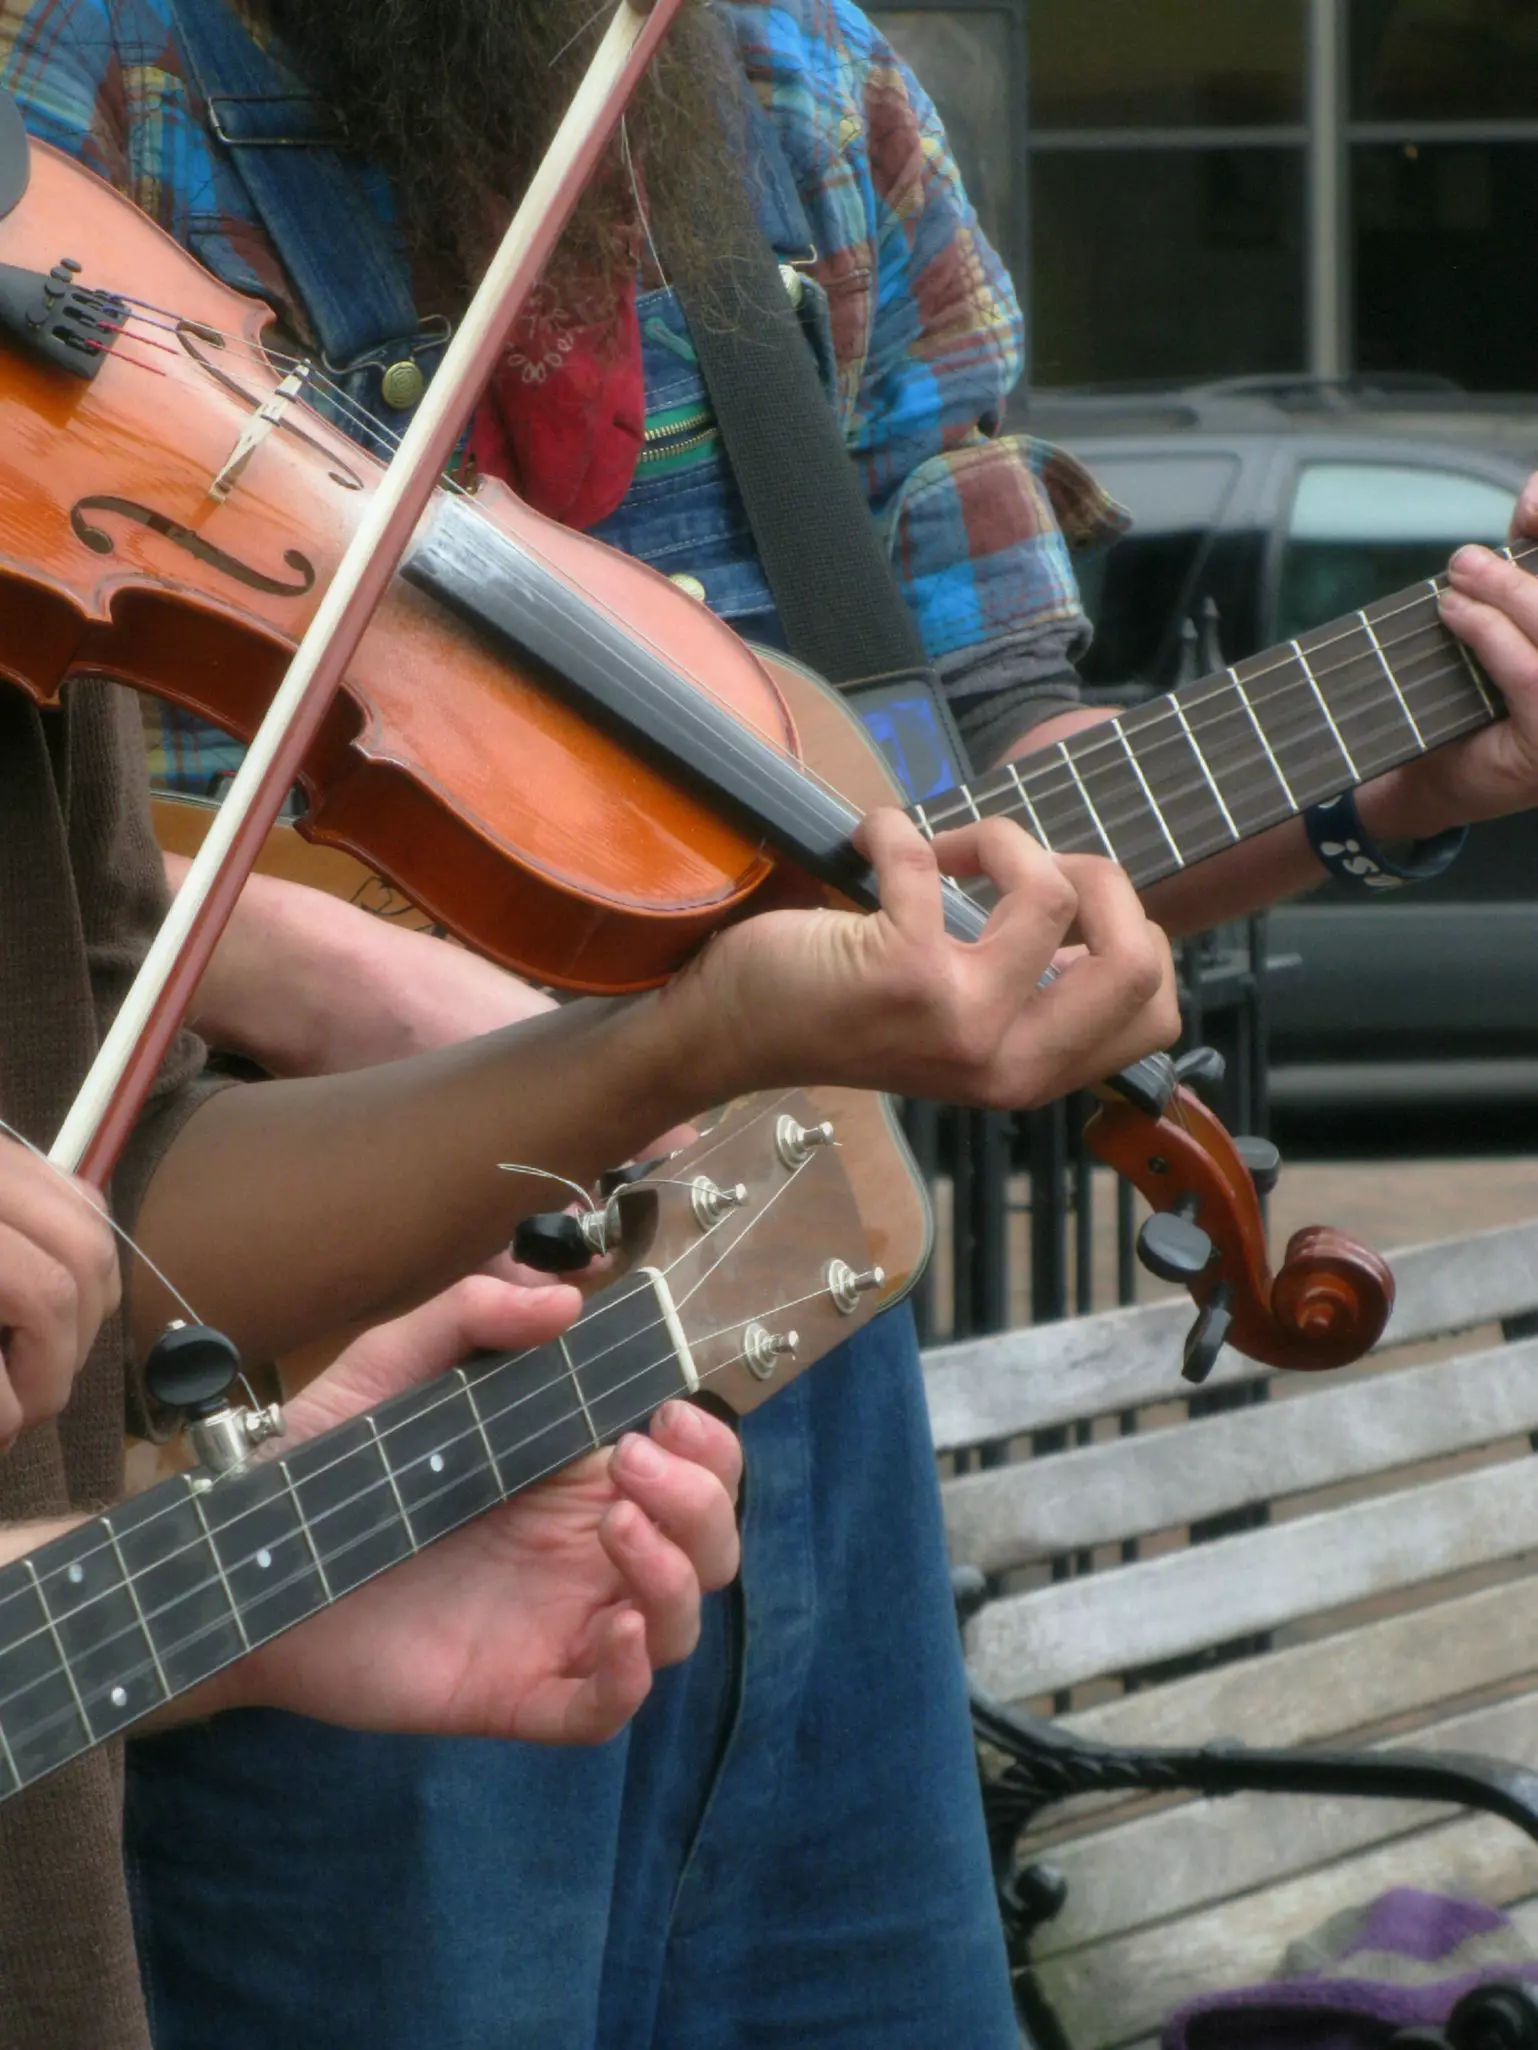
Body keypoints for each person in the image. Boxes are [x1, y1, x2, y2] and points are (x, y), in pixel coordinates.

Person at [4, 5, 1538, 2050]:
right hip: (338, 1407)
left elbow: (994, 782)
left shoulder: (813, 93)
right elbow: (74, 873)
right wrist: (302, 951)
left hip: (799, 1349)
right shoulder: (86, 93)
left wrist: (1387, 774)